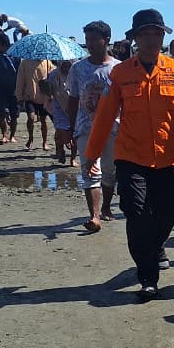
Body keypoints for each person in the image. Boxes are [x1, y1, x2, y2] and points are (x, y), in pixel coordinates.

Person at [84, 9, 174, 300]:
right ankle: (148, 276)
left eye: (157, 33)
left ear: (164, 36)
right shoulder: (121, 74)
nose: (152, 39)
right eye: (146, 34)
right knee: (137, 213)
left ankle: (156, 244)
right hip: (130, 157)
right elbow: (104, 115)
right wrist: (92, 154)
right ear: (136, 38)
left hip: (167, 157)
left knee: (170, 209)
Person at [59, 21, 120, 232]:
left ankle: (105, 207)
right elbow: (73, 99)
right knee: (90, 171)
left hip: (114, 128)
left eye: (95, 39)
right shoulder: (78, 68)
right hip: (86, 128)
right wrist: (70, 128)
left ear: (107, 40)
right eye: (88, 40)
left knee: (110, 172)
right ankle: (94, 216)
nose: (90, 44)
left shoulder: (118, 69)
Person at [16, 55, 54, 151]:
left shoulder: (47, 62)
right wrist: (19, 95)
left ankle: (44, 142)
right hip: (29, 96)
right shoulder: (25, 62)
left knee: (43, 120)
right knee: (31, 117)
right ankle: (31, 138)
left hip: (43, 97)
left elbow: (53, 75)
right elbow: (20, 79)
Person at [0, 35, 19, 143]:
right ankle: (4, 134)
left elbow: (20, 73)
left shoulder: (15, 57)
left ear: (4, 45)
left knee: (14, 114)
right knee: (1, 113)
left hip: (14, 89)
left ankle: (12, 135)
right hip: (1, 89)